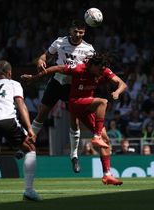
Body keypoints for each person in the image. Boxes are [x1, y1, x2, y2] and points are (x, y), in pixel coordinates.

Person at [22, 52, 126, 185]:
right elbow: (57, 68)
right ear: (93, 65)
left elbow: (122, 84)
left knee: (106, 140)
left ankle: (107, 174)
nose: (101, 71)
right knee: (102, 102)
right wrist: (35, 77)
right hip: (75, 103)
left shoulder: (102, 70)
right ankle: (96, 136)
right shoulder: (78, 68)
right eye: (99, 68)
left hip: (87, 106)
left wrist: (117, 92)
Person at [31, 20, 95, 173]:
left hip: (73, 87)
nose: (78, 34)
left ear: (84, 32)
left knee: (75, 121)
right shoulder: (59, 42)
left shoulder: (88, 49)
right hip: (57, 82)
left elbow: (93, 69)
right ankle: (27, 143)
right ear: (70, 30)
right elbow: (45, 56)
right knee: (42, 114)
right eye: (76, 31)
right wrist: (41, 60)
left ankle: (74, 156)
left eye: (81, 32)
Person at [0, 60, 40, 203]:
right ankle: (29, 190)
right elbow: (21, 106)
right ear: (9, 73)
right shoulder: (14, 84)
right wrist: (30, 129)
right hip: (8, 121)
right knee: (30, 148)